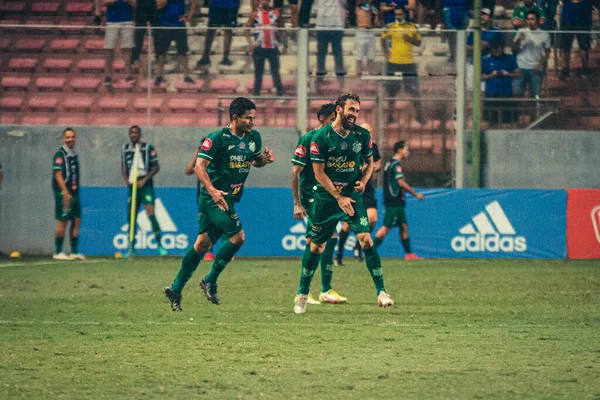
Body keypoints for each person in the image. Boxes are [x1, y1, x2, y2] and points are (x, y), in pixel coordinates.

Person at [164, 97, 275, 311]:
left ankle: (175, 288)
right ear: (235, 118)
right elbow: (199, 166)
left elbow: (254, 161)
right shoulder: (217, 138)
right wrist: (213, 191)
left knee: (202, 244)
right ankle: (210, 280)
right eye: (248, 118)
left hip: (230, 197)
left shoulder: (254, 138)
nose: (252, 122)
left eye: (254, 117)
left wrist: (264, 160)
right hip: (213, 199)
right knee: (238, 237)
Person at [293, 92, 394, 314]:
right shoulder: (320, 138)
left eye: (357, 111)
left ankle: (381, 292)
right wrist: (338, 197)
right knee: (317, 246)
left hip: (352, 197)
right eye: (351, 110)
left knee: (366, 240)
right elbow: (318, 173)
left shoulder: (361, 136)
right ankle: (302, 293)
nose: (355, 114)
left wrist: (364, 182)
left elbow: (370, 163)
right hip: (327, 198)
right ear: (339, 109)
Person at [291, 103, 348, 305]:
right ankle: (325, 289)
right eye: (333, 118)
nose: (336, 122)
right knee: (327, 236)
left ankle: (305, 291)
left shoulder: (334, 140)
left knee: (312, 242)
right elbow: (295, 172)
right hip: (313, 198)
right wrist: (297, 203)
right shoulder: (308, 139)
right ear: (322, 119)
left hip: (327, 196)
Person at [336, 122, 381, 265]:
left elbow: (377, 164)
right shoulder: (350, 145)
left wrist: (372, 167)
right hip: (352, 189)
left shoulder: (373, 147)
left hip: (367, 188)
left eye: (370, 132)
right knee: (348, 225)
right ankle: (339, 253)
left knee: (372, 218)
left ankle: (357, 245)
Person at [121, 125, 167, 256]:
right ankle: (131, 248)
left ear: (140, 135)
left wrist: (144, 179)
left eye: (136, 133)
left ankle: (160, 245)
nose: (134, 135)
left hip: (146, 186)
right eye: (132, 133)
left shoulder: (147, 148)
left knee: (150, 213)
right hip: (132, 187)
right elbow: (123, 166)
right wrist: (126, 179)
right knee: (131, 216)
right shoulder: (124, 149)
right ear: (129, 135)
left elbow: (156, 166)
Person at [373, 140, 424, 259]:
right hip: (394, 201)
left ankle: (409, 254)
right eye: (406, 149)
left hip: (394, 201)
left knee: (403, 226)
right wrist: (415, 194)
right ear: (400, 150)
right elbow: (400, 182)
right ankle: (370, 251)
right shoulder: (396, 164)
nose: (408, 152)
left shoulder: (389, 163)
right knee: (386, 227)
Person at [381, 5, 423, 123]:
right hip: (393, 62)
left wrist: (409, 39)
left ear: (405, 14)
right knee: (391, 91)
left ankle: (419, 116)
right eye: (396, 14)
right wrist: (386, 54)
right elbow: (382, 39)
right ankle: (390, 117)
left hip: (408, 63)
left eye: (400, 14)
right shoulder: (390, 26)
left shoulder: (412, 27)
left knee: (414, 90)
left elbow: (419, 42)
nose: (398, 16)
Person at [52, 128, 85, 261]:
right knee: (63, 221)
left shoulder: (74, 155)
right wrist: (65, 192)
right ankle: (58, 252)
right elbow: (58, 174)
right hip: (64, 193)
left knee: (77, 220)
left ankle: (74, 252)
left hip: (75, 193)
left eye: (72, 137)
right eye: (67, 137)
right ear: (63, 139)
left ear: (75, 139)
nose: (70, 139)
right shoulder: (60, 155)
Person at [245, 0, 284, 98]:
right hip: (259, 47)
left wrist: (283, 44)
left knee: (275, 73)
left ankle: (280, 95)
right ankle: (256, 95)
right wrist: (250, 44)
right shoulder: (256, 14)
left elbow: (283, 30)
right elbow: (246, 30)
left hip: (273, 47)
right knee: (258, 74)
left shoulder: (275, 14)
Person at [154, 0, 196, 86]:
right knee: (161, 52)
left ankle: (186, 76)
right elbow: (158, 5)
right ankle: (159, 76)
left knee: (183, 52)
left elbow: (193, 2)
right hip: (164, 24)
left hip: (179, 25)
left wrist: (188, 17)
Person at [185, 144, 215, 261]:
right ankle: (208, 252)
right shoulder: (199, 164)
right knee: (205, 225)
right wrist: (195, 156)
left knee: (222, 223)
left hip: (216, 196)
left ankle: (228, 251)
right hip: (202, 198)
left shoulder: (214, 161)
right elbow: (188, 171)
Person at [481, 39, 521, 126]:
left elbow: (518, 74)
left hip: (506, 93)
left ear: (502, 49)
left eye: (498, 50)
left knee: (508, 121)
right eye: (494, 51)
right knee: (491, 122)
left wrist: (508, 74)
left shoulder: (510, 58)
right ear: (491, 50)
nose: (496, 52)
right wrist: (491, 75)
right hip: (491, 93)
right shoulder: (486, 59)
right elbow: (480, 77)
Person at [512, 10, 550, 98]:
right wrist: (518, 40)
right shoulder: (521, 31)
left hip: (535, 69)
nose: (530, 21)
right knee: (516, 94)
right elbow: (513, 50)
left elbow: (547, 52)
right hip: (521, 67)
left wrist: (540, 64)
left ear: (537, 20)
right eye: (528, 19)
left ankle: (534, 112)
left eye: (532, 19)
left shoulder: (544, 34)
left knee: (534, 95)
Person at [196, 0, 239, 68]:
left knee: (226, 30)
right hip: (219, 4)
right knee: (213, 29)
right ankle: (206, 56)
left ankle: (224, 57)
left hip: (229, 4)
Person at [104, 0, 136, 86]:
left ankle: (128, 74)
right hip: (111, 21)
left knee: (127, 48)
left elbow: (135, 5)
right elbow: (104, 2)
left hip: (127, 21)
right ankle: (108, 76)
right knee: (109, 48)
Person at [315, 0, 346, 84]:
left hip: (336, 26)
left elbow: (345, 3)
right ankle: (319, 80)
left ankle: (341, 81)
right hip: (321, 26)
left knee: (338, 55)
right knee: (321, 55)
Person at [559, 0, 592, 79]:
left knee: (584, 45)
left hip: (584, 16)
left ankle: (585, 68)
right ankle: (565, 69)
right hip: (567, 17)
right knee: (566, 45)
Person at [130, 0, 159, 71]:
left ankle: (157, 60)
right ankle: (135, 60)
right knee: (138, 35)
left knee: (157, 34)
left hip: (153, 7)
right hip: (141, 7)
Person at [355, 0, 379, 76]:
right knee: (359, 56)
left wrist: (375, 15)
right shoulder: (359, 7)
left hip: (370, 32)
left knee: (371, 55)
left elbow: (375, 24)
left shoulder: (373, 9)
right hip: (361, 31)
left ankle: (371, 72)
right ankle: (359, 72)